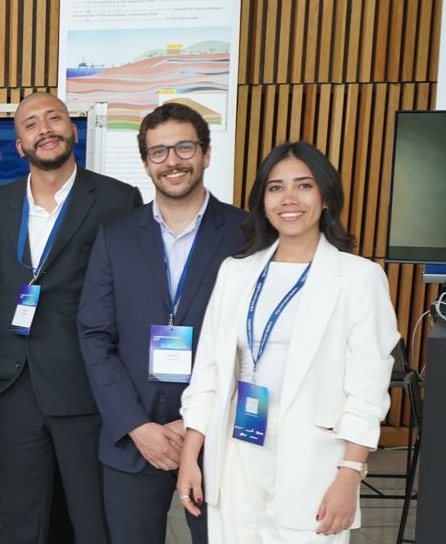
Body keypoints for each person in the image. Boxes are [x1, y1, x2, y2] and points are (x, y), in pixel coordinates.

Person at [176, 141, 398, 544]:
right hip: (236, 448)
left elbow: (367, 388)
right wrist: (191, 454)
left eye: (304, 186)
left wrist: (350, 475)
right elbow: (208, 368)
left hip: (314, 455)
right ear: (262, 200)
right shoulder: (237, 272)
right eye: (276, 188)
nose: (289, 199)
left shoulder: (358, 278)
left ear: (326, 196)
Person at [0, 91, 141, 543]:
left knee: (93, 521)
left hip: (84, 389)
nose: (44, 129)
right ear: (18, 145)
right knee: (16, 521)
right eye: (31, 124)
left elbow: (136, 294)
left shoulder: (118, 201)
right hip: (9, 389)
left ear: (73, 130)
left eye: (54, 118)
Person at [77, 102, 245, 544]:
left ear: (206, 154)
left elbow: (254, 343)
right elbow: (95, 336)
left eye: (184, 147)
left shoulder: (247, 234)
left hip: (218, 437)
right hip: (135, 436)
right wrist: (137, 425)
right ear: (146, 163)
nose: (172, 161)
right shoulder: (115, 236)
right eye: (159, 152)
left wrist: (195, 423)